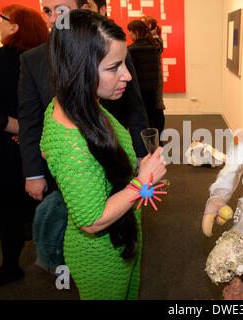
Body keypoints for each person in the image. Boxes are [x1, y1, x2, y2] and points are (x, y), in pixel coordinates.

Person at [41, 9, 166, 299]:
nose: (127, 76)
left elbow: (46, 151)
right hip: (101, 256)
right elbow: (91, 219)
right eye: (114, 67)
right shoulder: (72, 140)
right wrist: (142, 182)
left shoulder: (71, 105)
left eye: (124, 63)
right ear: (79, 68)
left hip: (120, 239)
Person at [18, 0, 149, 202]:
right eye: (47, 11)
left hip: (117, 162)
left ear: (84, 11)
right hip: (69, 174)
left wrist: (141, 154)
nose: (53, 18)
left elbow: (134, 105)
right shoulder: (32, 60)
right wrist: (34, 172)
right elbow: (30, 121)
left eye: (62, 10)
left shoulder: (113, 48)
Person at [0, 4, 48, 288]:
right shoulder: (45, 61)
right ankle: (56, 261)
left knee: (8, 206)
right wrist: (30, 130)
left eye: (1, 19)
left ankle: (11, 265)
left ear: (14, 27)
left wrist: (16, 127)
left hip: (5, 146)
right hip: (44, 146)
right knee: (48, 203)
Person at [127, 20, 165, 140]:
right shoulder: (155, 46)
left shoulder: (131, 50)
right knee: (155, 117)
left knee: (142, 121)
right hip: (153, 90)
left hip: (139, 91)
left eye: (131, 32)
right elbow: (158, 40)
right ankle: (157, 143)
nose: (129, 35)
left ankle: (147, 146)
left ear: (137, 32)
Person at [141, 15, 166, 111]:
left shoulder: (156, 40)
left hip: (154, 77)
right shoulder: (151, 40)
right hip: (149, 77)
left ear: (150, 25)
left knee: (156, 105)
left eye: (143, 24)